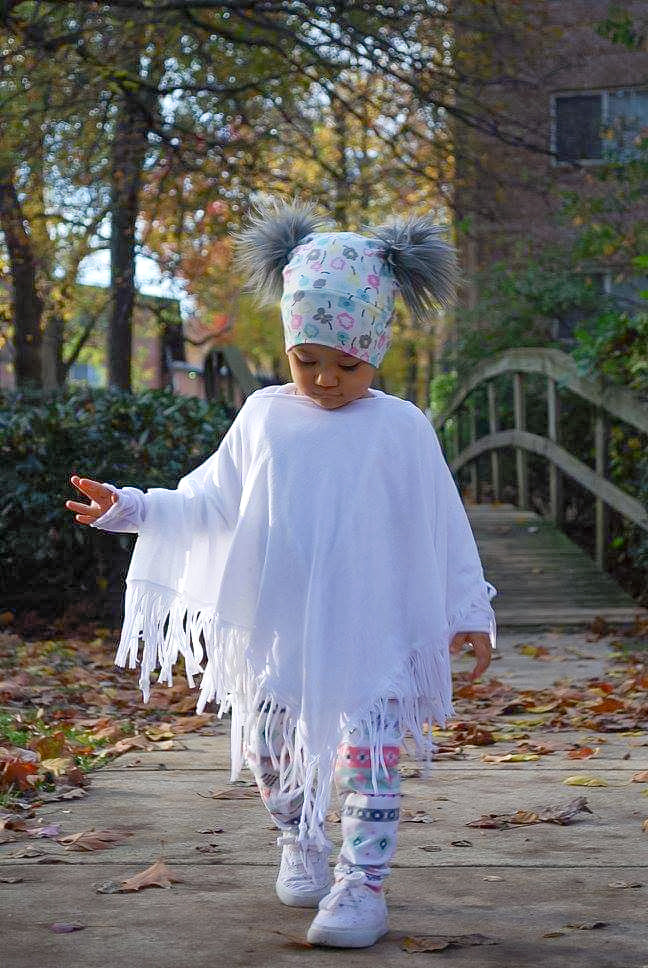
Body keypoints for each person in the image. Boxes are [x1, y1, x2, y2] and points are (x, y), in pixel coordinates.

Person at [65, 197, 496, 950]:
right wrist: (128, 508)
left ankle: (362, 887)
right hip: (278, 626)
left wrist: (469, 609)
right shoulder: (264, 417)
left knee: (372, 758)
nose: (325, 380)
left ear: (377, 351)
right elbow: (206, 499)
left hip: (372, 626)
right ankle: (297, 835)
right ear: (289, 346)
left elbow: (442, 525)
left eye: (347, 364)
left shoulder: (401, 431)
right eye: (308, 360)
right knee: (269, 751)